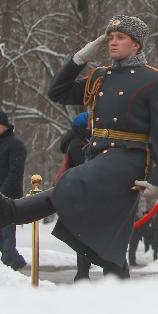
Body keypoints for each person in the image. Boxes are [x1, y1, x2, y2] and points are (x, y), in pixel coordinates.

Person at [0, 15, 158, 279]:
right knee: (110, 239)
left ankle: (13, 211)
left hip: (129, 158)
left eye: (121, 38)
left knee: (73, 180)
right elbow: (57, 92)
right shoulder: (100, 77)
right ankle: (122, 293)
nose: (113, 43)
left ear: (137, 45)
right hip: (98, 156)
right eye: (110, 38)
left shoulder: (154, 81)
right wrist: (79, 59)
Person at [0, 111, 28, 270]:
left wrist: (2, 194)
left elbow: (15, 173)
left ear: (5, 125)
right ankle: (13, 257)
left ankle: (8, 259)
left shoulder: (15, 144)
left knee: (7, 230)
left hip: (8, 195)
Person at [57, 112, 94, 280]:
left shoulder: (81, 141)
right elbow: (82, 168)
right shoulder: (77, 143)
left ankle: (83, 274)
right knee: (84, 238)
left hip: (81, 194)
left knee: (86, 237)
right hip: (80, 195)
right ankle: (82, 275)